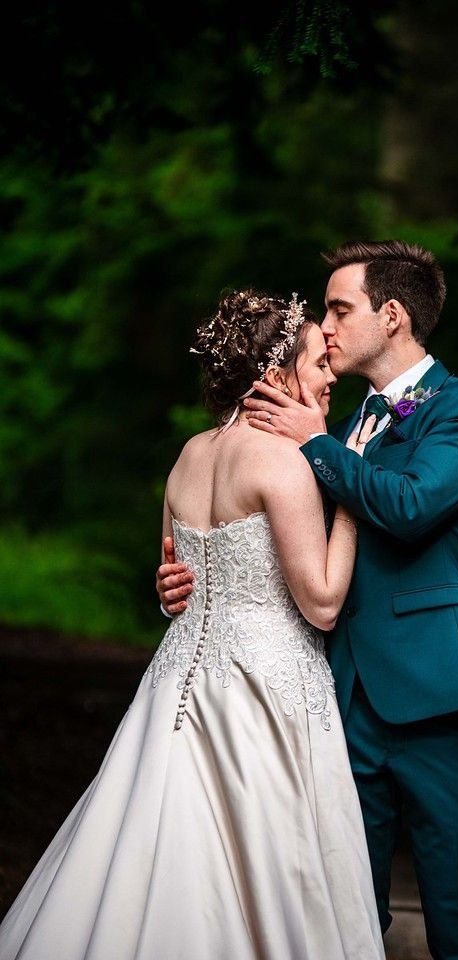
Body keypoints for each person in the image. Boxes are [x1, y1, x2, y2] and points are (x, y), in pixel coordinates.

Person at [0, 289, 386, 960]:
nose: (331, 377)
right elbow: (322, 604)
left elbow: (178, 575)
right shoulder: (283, 462)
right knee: (270, 856)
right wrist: (353, 501)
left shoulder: (188, 456)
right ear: (276, 375)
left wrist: (167, 593)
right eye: (319, 364)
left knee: (157, 840)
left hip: (177, 679)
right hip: (264, 691)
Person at [159, 240, 458, 960]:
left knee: (457, 916)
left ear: (393, 315)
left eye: (339, 309)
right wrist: (191, 577)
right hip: (337, 701)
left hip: (440, 698)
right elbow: (278, 541)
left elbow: (410, 506)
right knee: (343, 915)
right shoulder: (336, 426)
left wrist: (321, 445)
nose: (325, 326)